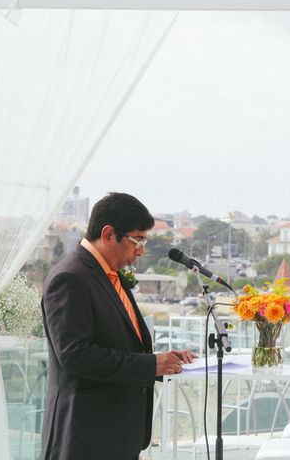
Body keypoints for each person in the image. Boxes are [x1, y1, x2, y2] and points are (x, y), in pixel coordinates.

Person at [41, 192, 195, 460]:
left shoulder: (108, 273)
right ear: (108, 233)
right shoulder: (70, 277)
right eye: (137, 240)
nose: (141, 250)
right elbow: (76, 355)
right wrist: (150, 365)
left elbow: (118, 342)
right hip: (84, 438)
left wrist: (164, 361)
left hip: (116, 436)